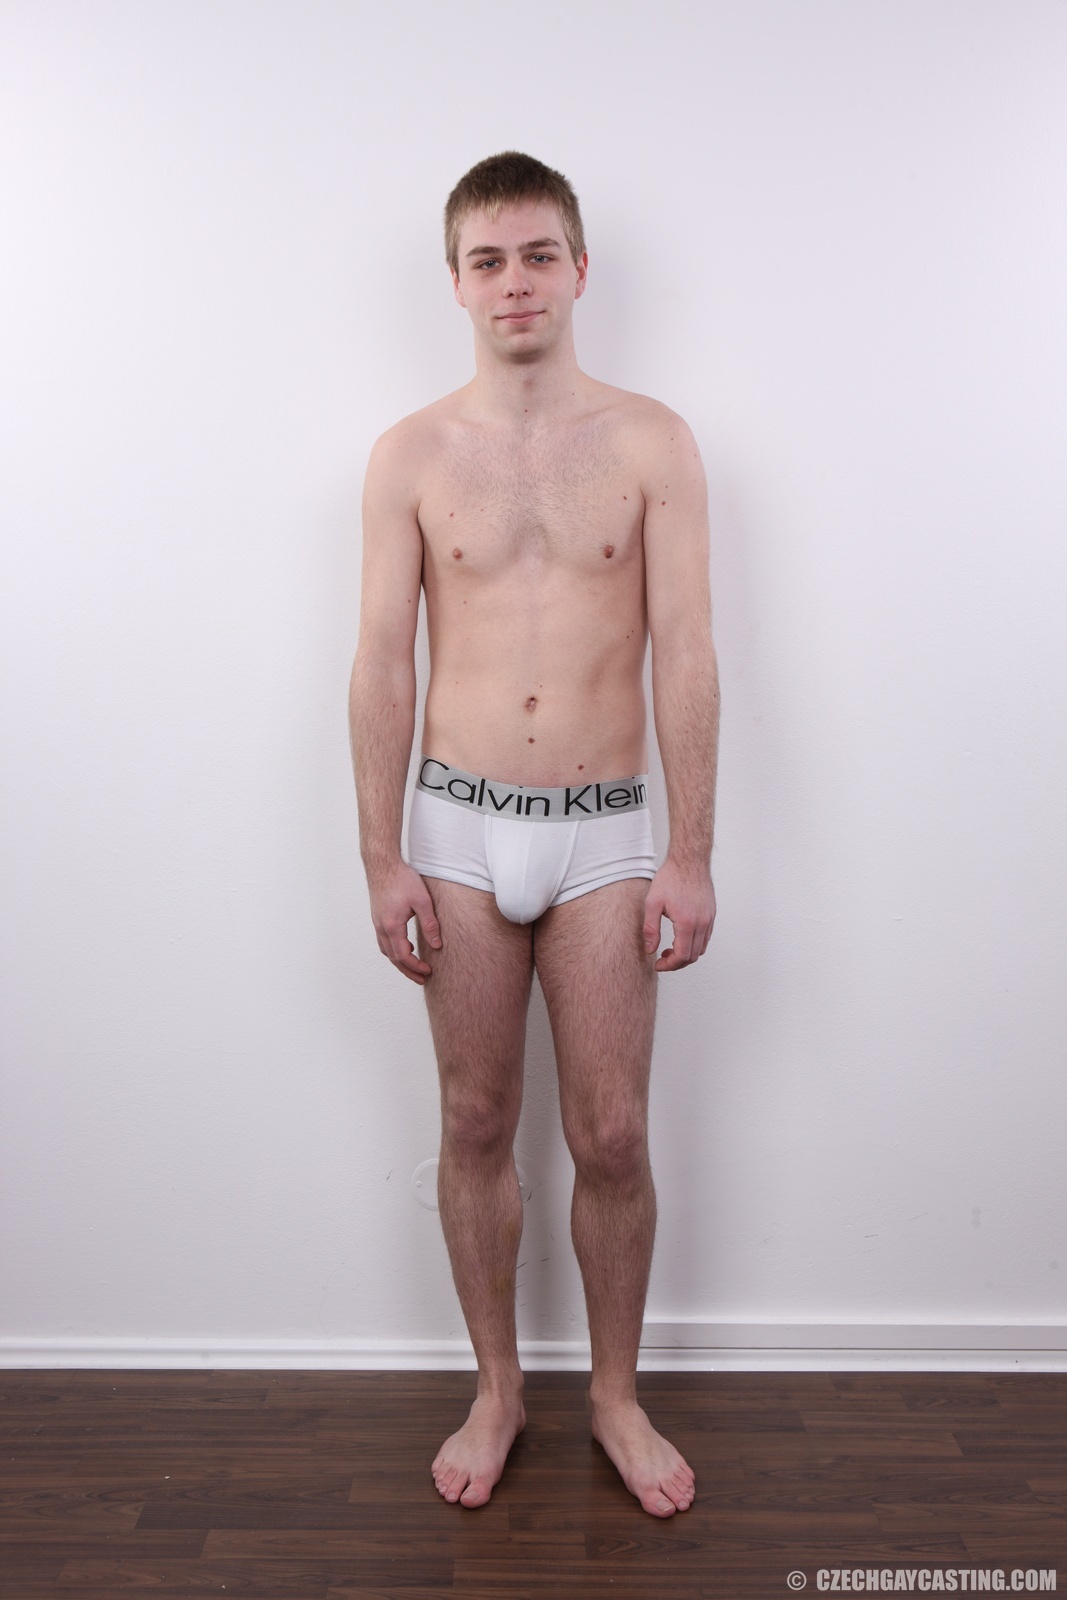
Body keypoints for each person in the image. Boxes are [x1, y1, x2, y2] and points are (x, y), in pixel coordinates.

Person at [348, 151, 720, 1518]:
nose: (516, 281)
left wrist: (693, 850)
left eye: (539, 254)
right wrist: (380, 852)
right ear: (456, 282)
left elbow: (687, 651)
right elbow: (381, 661)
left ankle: (614, 1396)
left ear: (579, 268)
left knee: (612, 1133)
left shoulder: (651, 442)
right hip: (456, 826)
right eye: (489, 260)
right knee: (474, 1117)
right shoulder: (410, 455)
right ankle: (498, 1388)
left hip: (607, 832)